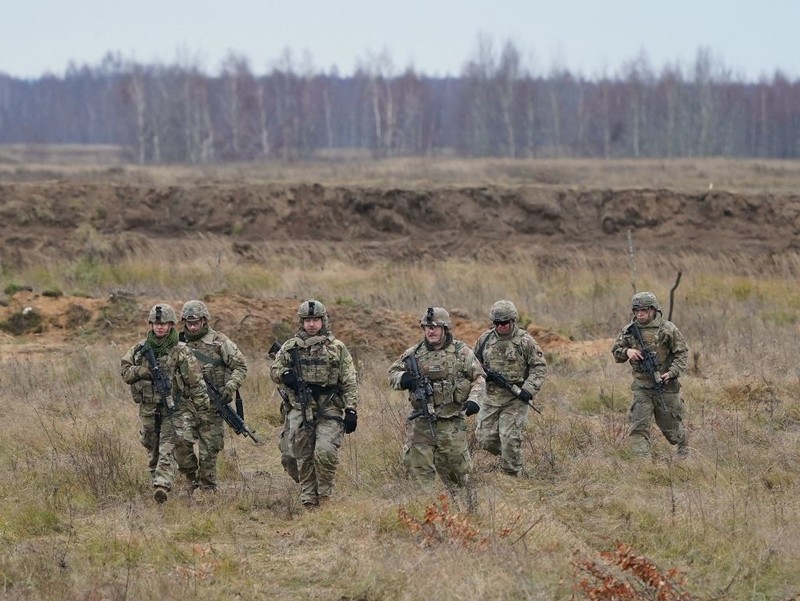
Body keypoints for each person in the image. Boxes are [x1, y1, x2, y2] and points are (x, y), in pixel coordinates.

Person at [388, 306, 486, 509]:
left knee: (458, 473)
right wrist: (405, 379)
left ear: (445, 328)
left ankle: (463, 512)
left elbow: (479, 377)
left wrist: (474, 400)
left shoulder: (461, 352)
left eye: (435, 327)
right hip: (421, 423)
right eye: (427, 327)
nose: (431, 331)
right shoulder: (413, 354)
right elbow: (392, 374)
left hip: (451, 423)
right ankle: (426, 512)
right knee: (419, 472)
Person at [270, 299, 359, 510]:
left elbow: (349, 380)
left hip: (329, 407)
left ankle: (325, 496)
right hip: (299, 407)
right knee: (294, 456)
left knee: (325, 452)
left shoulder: (337, 348)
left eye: (315, 320)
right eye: (307, 320)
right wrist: (285, 375)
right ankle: (309, 497)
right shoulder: (290, 347)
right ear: (301, 322)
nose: (311, 324)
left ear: (323, 321)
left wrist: (351, 409)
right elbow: (274, 370)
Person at [120, 303, 211, 503]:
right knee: (152, 447)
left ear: (171, 325)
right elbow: (125, 371)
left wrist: (203, 409)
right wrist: (142, 372)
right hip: (149, 408)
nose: (160, 327)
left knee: (169, 446)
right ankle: (160, 484)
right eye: (156, 323)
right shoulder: (140, 349)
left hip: (174, 408)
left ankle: (162, 485)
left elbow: (195, 382)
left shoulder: (180, 350)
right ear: (151, 325)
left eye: (164, 324)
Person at [179, 300, 248, 491]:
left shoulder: (220, 342)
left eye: (196, 322)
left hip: (212, 407)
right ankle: (191, 479)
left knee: (209, 452)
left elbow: (240, 366)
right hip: (186, 406)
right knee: (181, 442)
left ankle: (208, 490)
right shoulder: (177, 343)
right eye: (189, 322)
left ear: (204, 320)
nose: (192, 326)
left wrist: (229, 387)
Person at [473, 300, 547, 477]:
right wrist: (483, 375)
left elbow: (539, 367)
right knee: (484, 438)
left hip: (515, 398)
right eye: (497, 323)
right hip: (490, 398)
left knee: (509, 438)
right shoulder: (484, 340)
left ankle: (513, 475)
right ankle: (509, 455)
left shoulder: (525, 341)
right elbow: (472, 364)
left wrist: (529, 389)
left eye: (504, 323)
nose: (501, 326)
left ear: (513, 320)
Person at [611, 291, 689, 458]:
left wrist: (672, 372)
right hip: (642, 388)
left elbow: (682, 353)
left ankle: (683, 449)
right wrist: (627, 351)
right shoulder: (629, 331)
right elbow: (616, 352)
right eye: (636, 310)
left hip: (666, 387)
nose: (640, 314)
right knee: (638, 427)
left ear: (653, 310)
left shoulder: (667, 329)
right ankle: (641, 466)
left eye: (644, 310)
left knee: (672, 431)